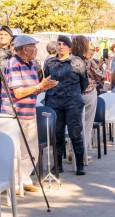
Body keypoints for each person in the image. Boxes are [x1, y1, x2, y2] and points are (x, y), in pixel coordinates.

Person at [1, 35, 58, 192]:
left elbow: (34, 88)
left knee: (32, 150)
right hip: (14, 114)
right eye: (33, 46)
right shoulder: (13, 64)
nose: (36, 50)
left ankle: (24, 179)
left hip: (29, 112)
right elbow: (18, 93)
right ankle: (14, 183)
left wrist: (44, 86)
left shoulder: (32, 64)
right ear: (25, 49)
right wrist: (40, 87)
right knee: (15, 151)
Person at [44, 35, 89, 175]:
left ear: (70, 47)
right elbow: (46, 79)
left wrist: (73, 93)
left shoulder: (77, 62)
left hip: (72, 103)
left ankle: (80, 165)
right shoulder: (50, 62)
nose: (61, 46)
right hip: (54, 102)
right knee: (57, 134)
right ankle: (57, 165)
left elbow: (84, 83)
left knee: (75, 133)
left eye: (64, 44)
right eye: (59, 44)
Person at [71, 36, 105, 161]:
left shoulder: (70, 60)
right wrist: (100, 68)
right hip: (89, 93)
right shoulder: (88, 61)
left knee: (74, 125)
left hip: (74, 95)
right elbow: (100, 76)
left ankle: (71, 151)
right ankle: (82, 155)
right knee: (86, 125)